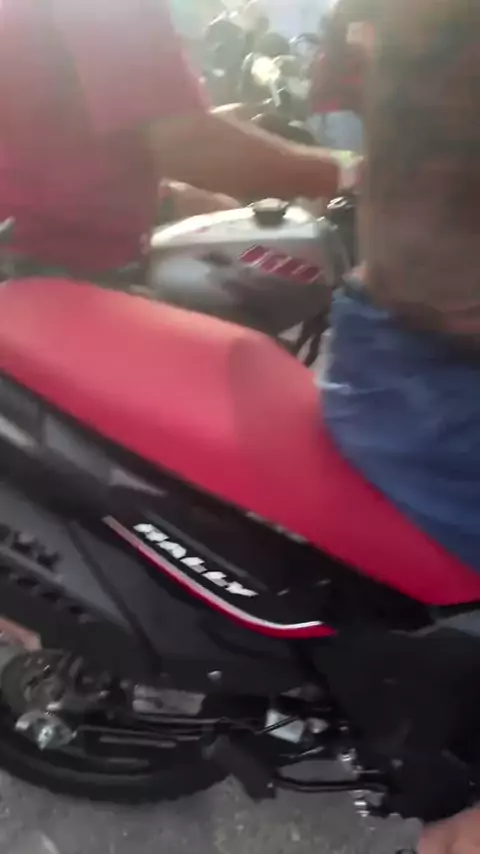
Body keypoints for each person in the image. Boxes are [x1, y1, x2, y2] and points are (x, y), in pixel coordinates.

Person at [0, 0, 355, 278]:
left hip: (34, 248)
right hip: (48, 266)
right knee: (239, 346)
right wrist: (347, 172)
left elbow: (68, 136)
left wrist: (172, 198)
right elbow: (187, 145)